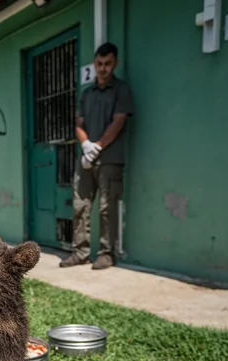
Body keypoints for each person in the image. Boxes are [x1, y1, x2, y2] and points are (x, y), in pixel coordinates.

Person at [60, 42, 134, 270]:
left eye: (107, 64)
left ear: (115, 63)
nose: (102, 68)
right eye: (99, 63)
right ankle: (80, 252)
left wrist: (97, 147)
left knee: (106, 208)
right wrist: (86, 146)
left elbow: (119, 121)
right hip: (86, 159)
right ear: (94, 63)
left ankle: (106, 254)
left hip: (110, 159)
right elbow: (78, 124)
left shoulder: (121, 90)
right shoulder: (87, 94)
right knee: (80, 205)